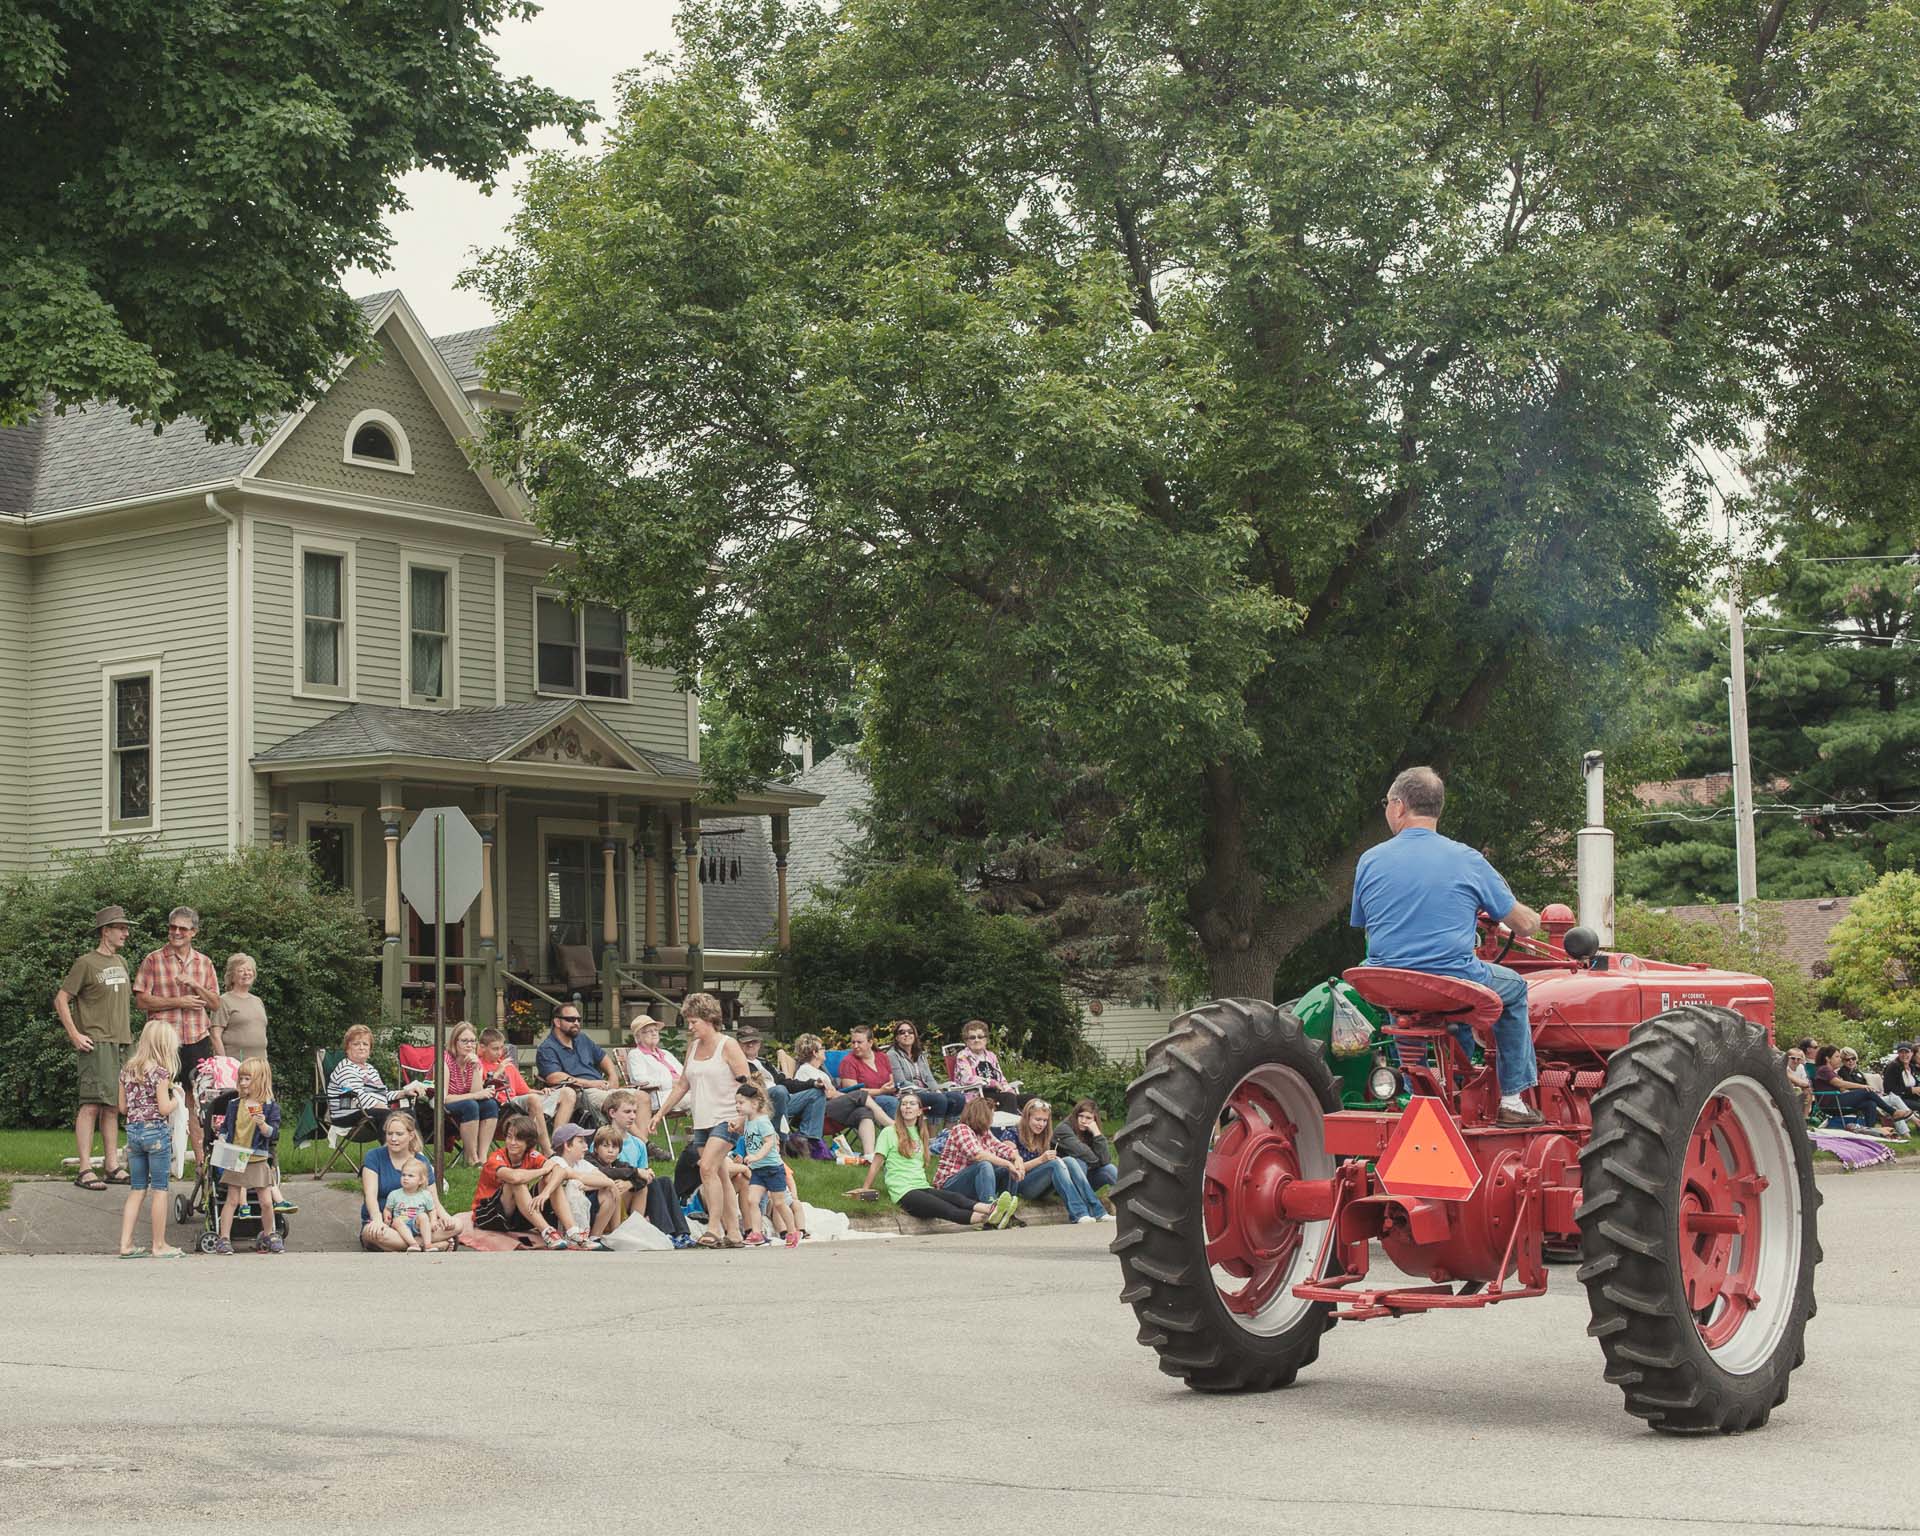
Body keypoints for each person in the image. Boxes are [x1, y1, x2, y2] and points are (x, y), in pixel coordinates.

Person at [1349, 766, 1544, 1126]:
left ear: (1397, 807)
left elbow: (1366, 926)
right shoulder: (1467, 859)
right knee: (1514, 988)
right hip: (1451, 979)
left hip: (1389, 979)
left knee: (1400, 988)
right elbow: (1523, 925)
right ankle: (1514, 1099)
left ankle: (1415, 1093)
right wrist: (1537, 919)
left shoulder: (1369, 860)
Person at [657, 992, 751, 1247]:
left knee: (706, 1167)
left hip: (727, 1118)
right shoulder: (694, 1047)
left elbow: (748, 1085)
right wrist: (659, 1113)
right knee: (719, 1175)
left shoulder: (728, 1045)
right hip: (702, 1120)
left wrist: (743, 1119)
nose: (689, 1027)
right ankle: (734, 1232)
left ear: (709, 1018)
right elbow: (682, 1085)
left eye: (693, 1021)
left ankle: (714, 1229)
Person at [133, 905, 222, 1168]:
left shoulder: (204, 963)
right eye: (173, 927)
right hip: (163, 1043)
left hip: (197, 1039)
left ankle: (201, 1163)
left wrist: (195, 985)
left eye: (183, 928)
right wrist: (179, 1001)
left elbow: (215, 1003)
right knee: (158, 1100)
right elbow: (141, 1001)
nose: (176, 932)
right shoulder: (153, 959)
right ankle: (157, 1161)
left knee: (197, 1101)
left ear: (193, 932)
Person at [55, 905, 134, 1190]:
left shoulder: (122, 962)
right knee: (90, 1104)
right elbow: (61, 999)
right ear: (106, 931)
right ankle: (85, 1169)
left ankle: (112, 1166)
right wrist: (75, 1034)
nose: (126, 932)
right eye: (121, 928)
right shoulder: (86, 963)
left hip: (122, 1042)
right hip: (96, 1042)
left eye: (126, 928)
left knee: (113, 1106)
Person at [855, 1089, 1008, 1228]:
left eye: (912, 1104)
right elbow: (876, 1164)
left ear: (920, 1111)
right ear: (900, 1109)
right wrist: (865, 1188)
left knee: (956, 1198)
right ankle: (989, 1219)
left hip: (922, 1186)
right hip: (904, 1192)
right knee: (947, 1209)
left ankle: (993, 1208)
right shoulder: (889, 1132)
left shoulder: (920, 1134)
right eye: (904, 1104)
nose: (907, 1107)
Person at [116, 1019, 184, 1258]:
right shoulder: (161, 1073)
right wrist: (178, 1098)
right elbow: (164, 1108)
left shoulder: (127, 1070)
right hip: (155, 1132)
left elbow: (122, 1107)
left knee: (137, 1189)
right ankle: (159, 1245)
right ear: (165, 1046)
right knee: (160, 1189)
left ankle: (125, 1244)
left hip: (133, 1133)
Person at [602, 1090, 694, 1247]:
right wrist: (634, 1182)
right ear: (612, 1113)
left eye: (634, 1112)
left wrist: (634, 1182)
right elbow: (604, 1172)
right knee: (650, 1183)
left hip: (637, 1190)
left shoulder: (638, 1143)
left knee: (663, 1181)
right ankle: (665, 1231)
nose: (632, 1116)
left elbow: (644, 1174)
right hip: (617, 1194)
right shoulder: (604, 1141)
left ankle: (681, 1232)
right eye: (627, 1112)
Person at [212, 1056, 283, 1254]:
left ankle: (269, 1234)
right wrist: (222, 1139)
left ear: (260, 1080)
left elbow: (274, 1133)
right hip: (236, 1156)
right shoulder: (235, 1104)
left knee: (266, 1201)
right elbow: (227, 1127)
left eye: (247, 1079)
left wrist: (263, 1124)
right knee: (232, 1199)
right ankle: (224, 1237)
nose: (242, 1083)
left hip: (258, 1157)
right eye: (240, 1078)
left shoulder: (269, 1106)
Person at [471, 1115, 575, 1249]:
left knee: (550, 1179)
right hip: (487, 1215)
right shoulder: (495, 1157)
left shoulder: (531, 1154)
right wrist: (543, 1171)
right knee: (516, 1183)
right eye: (509, 1137)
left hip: (515, 1216)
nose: (512, 1142)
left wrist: (545, 1193)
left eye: (518, 1138)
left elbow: (559, 1171)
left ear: (529, 1142)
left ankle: (573, 1232)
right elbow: (515, 1177)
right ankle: (547, 1232)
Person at [1004, 1097, 1108, 1223]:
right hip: (1023, 1185)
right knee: (1054, 1164)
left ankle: (1098, 1211)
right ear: (1027, 1118)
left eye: (1044, 1121)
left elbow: (1104, 1160)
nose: (1041, 1124)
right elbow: (1011, 1168)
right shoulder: (1011, 1134)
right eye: (1037, 1119)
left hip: (1043, 1185)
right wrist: (1041, 1160)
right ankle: (1079, 1213)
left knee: (1069, 1160)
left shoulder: (1043, 1137)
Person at [791, 1032, 891, 1161]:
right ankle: (891, 1125)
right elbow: (828, 1094)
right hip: (819, 1115)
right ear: (815, 1053)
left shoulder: (819, 1070)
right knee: (861, 1095)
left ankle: (869, 1155)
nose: (825, 1051)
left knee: (863, 1111)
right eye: (822, 1048)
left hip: (831, 1112)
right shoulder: (805, 1070)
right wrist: (849, 1096)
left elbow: (832, 1093)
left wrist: (844, 1095)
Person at [737, 1025, 827, 1157]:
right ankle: (781, 1143)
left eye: (754, 1041)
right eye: (746, 1042)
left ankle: (806, 1142)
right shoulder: (739, 1064)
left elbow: (786, 1083)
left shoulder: (764, 1062)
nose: (751, 1045)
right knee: (780, 1091)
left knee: (816, 1093)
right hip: (759, 1102)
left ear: (759, 1043)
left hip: (782, 1100)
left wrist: (813, 1083)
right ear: (738, 1044)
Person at [932, 1095, 1024, 1220]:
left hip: (971, 1182)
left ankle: (1006, 1213)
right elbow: (978, 1155)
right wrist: (1008, 1163)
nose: (992, 1120)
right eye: (990, 1116)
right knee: (984, 1164)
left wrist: (1017, 1158)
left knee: (1007, 1170)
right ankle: (990, 1210)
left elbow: (1001, 1148)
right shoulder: (961, 1129)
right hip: (950, 1185)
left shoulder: (985, 1132)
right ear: (981, 1116)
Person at [329, 1023, 430, 1134]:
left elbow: (383, 1094)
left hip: (371, 1112)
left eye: (365, 1044)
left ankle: (414, 1150)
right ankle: (393, 1149)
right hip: (348, 1114)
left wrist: (404, 1093)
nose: (361, 1047)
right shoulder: (346, 1068)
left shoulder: (371, 1069)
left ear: (370, 1049)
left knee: (408, 1113)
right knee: (387, 1115)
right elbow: (356, 1095)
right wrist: (382, 1108)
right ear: (347, 1048)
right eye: (356, 1044)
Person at [359, 1112, 437, 1252]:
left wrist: (443, 1217)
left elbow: (433, 1198)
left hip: (416, 1223)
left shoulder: (421, 1161)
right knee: (372, 1234)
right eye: (390, 1134)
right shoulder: (373, 1156)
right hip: (385, 1224)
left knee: (456, 1226)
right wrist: (377, 1219)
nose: (393, 1138)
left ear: (411, 1135)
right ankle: (432, 1244)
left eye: (399, 1134)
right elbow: (370, 1195)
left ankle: (407, 1245)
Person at [727, 1082, 791, 1247]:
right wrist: (736, 1128)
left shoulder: (763, 1121)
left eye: (741, 1103)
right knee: (751, 1200)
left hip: (772, 1169)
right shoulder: (748, 1120)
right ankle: (757, 1232)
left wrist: (756, 1156)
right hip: (758, 1171)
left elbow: (769, 1142)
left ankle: (793, 1231)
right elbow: (748, 1135)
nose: (737, 1106)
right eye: (736, 1103)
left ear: (754, 1104)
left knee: (779, 1203)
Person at [535, 1004, 615, 1125]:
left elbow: (604, 1058)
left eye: (579, 1019)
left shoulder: (582, 1039)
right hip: (578, 1092)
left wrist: (613, 1076)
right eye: (571, 1019)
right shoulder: (547, 1048)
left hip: (601, 1088)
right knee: (618, 1104)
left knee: (640, 1097)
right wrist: (590, 1083)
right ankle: (641, 1142)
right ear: (557, 1022)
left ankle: (638, 1142)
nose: (576, 1023)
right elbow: (554, 1077)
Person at [477, 1028, 552, 1153]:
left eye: (501, 1048)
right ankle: (546, 1151)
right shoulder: (479, 1065)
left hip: (519, 1103)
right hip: (502, 1106)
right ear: (482, 1047)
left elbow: (525, 1091)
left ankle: (555, 1144)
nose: (499, 1052)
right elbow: (481, 1089)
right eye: (495, 1049)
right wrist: (497, 1072)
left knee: (566, 1093)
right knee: (533, 1100)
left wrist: (542, 1091)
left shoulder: (509, 1067)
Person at [440, 1022, 501, 1168]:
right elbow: (443, 1098)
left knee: (490, 1104)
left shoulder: (475, 1061)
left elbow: (476, 1092)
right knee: (471, 1104)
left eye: (473, 1041)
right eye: (464, 1041)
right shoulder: (444, 1062)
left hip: (465, 1102)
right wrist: (475, 1096)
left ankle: (483, 1157)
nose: (469, 1045)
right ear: (455, 1042)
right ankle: (471, 1157)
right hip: (443, 1106)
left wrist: (475, 1068)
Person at [1812, 1044, 1906, 1132]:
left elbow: (1839, 1086)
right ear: (1827, 1059)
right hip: (1831, 1103)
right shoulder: (1824, 1069)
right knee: (1867, 1091)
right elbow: (1839, 1083)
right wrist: (1863, 1086)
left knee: (1870, 1103)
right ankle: (1893, 1112)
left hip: (1837, 1100)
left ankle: (1870, 1131)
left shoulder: (1829, 1071)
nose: (1840, 1060)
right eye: (1837, 1057)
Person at [549, 1122, 614, 1249]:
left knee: (608, 1192)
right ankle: (573, 1236)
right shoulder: (556, 1161)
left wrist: (587, 1186)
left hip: (579, 1207)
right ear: (567, 1145)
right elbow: (580, 1178)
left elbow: (606, 1180)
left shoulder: (581, 1163)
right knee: (572, 1184)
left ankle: (594, 1237)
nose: (586, 1146)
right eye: (581, 1142)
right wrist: (585, 1181)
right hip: (554, 1213)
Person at [885, 1020, 964, 1123]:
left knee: (957, 1098)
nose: (906, 1034)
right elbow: (901, 1082)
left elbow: (929, 1078)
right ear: (896, 1037)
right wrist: (928, 1092)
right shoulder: (892, 1055)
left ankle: (946, 1135)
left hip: (927, 1093)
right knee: (939, 1099)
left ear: (915, 1035)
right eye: (902, 1032)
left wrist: (936, 1090)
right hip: (907, 1094)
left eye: (910, 1031)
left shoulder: (920, 1054)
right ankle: (933, 1138)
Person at [950, 1021, 1024, 1114]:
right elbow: (967, 1079)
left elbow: (1001, 1079)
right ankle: (1009, 1128)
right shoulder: (963, 1056)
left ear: (986, 1039)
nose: (977, 1040)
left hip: (996, 1094)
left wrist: (1009, 1090)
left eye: (980, 1037)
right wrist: (992, 1083)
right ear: (966, 1041)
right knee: (1008, 1098)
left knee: (1030, 1100)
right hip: (977, 1095)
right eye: (972, 1037)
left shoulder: (991, 1056)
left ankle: (1028, 1127)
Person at [383, 1158, 449, 1251]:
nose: (405, 1178)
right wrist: (387, 1216)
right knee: (396, 1220)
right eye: (403, 1175)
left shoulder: (425, 1195)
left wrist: (433, 1220)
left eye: (410, 1176)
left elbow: (432, 1210)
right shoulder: (394, 1194)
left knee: (423, 1216)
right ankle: (414, 1244)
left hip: (416, 1225)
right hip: (401, 1226)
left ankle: (428, 1244)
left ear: (421, 1180)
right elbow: (388, 1209)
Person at [623, 1013, 683, 1115]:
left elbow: (684, 1072)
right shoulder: (636, 1055)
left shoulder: (666, 1054)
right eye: (649, 1031)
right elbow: (640, 1080)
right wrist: (670, 1083)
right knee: (701, 1099)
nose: (654, 1033)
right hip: (661, 1096)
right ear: (638, 1036)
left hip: (681, 1091)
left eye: (655, 1030)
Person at [1055, 1098, 1118, 1194]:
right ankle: (1082, 1200)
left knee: (1110, 1169)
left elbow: (1106, 1161)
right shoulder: (1063, 1129)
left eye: (1088, 1118)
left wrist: (1097, 1133)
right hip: (1062, 1182)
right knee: (1080, 1162)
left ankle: (1131, 1198)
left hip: (1084, 1178)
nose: (1083, 1121)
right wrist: (1098, 1161)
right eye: (1081, 1116)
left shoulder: (1090, 1131)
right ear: (1075, 1115)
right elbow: (1085, 1154)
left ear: (1094, 1120)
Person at [837, 1024, 899, 1119]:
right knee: (891, 1102)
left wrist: (892, 1088)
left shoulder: (882, 1057)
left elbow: (891, 1081)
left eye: (859, 1042)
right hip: (863, 1101)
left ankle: (921, 1132)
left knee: (912, 1099)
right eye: (853, 1042)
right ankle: (898, 1132)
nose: (855, 1046)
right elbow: (853, 1092)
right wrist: (880, 1091)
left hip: (888, 1095)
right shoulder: (848, 1062)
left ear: (870, 1042)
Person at [1883, 1043, 1920, 1117]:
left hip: (1912, 1098)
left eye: (1907, 1052)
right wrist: (1911, 1090)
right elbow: (1889, 1090)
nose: (1904, 1055)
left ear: (1912, 1053)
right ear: (1898, 1053)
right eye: (1901, 1052)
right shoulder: (1893, 1067)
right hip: (1899, 1099)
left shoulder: (1912, 1067)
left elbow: (1916, 1084)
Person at [1783, 1046, 1813, 1118]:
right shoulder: (1784, 1067)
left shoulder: (1801, 1067)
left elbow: (1806, 1083)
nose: (1796, 1061)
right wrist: (1801, 1084)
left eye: (1798, 1059)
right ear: (1787, 1058)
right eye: (1793, 1058)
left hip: (1798, 1089)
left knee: (1808, 1091)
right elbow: (1802, 1083)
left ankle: (1805, 1117)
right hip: (1786, 1090)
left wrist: (1802, 1085)